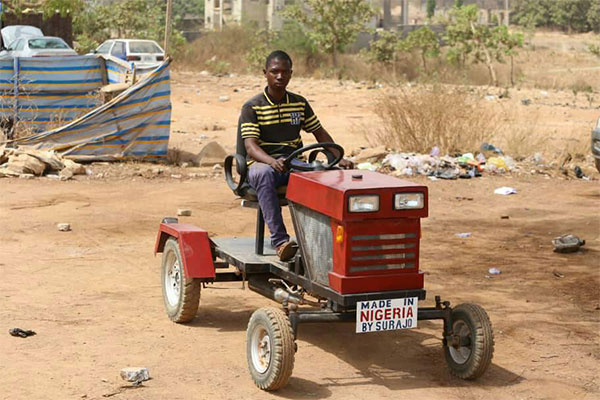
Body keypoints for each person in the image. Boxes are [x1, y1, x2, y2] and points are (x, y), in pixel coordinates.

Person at [239, 50, 353, 261]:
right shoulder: (253, 106)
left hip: (293, 163)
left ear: (291, 74)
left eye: (284, 72)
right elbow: (251, 146)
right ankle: (281, 242)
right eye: (274, 72)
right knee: (264, 174)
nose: (280, 76)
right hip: (261, 164)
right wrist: (272, 161)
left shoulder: (299, 103)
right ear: (265, 73)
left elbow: (319, 132)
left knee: (325, 174)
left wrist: (338, 157)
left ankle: (326, 242)